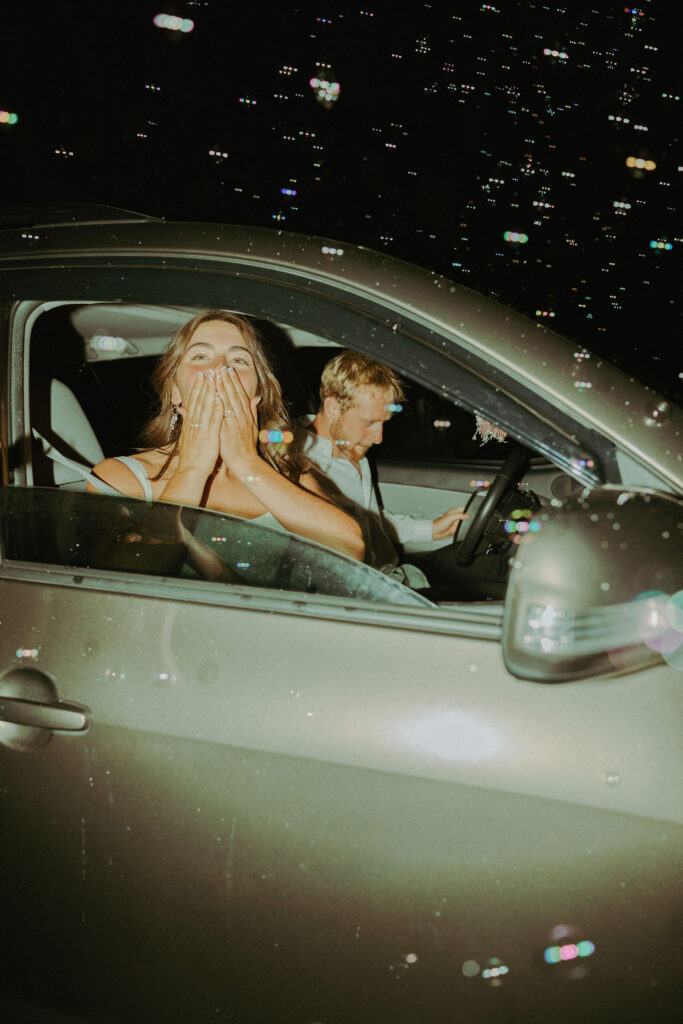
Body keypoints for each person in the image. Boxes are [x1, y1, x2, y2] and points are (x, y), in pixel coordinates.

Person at [86, 311, 364, 562]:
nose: (221, 369)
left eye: (239, 360)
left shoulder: (287, 473)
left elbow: (351, 550)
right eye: (201, 356)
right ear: (175, 391)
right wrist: (192, 470)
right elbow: (126, 581)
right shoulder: (120, 478)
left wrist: (246, 462)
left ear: (258, 394)